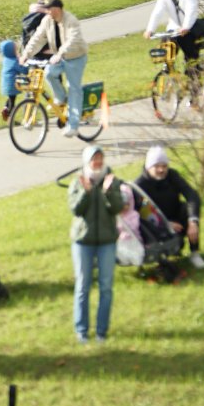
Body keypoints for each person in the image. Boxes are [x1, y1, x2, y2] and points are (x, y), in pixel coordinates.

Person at [69, 147, 122, 344]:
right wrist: (87, 192)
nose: (97, 162)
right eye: (94, 159)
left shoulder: (111, 180)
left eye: (100, 158)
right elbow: (76, 209)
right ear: (87, 161)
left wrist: (108, 193)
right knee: (83, 286)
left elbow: (118, 208)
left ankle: (101, 332)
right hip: (83, 241)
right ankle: (81, 331)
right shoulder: (79, 181)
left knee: (106, 287)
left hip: (107, 241)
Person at [132, 145, 204, 270]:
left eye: (164, 166)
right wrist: (165, 224)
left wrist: (193, 222)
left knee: (186, 209)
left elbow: (192, 195)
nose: (161, 170)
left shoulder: (173, 176)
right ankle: (165, 253)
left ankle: (195, 253)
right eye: (157, 166)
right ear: (148, 167)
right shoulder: (139, 185)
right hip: (154, 225)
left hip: (176, 216)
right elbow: (138, 213)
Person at [23, 0, 89, 134]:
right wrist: (26, 54)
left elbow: (73, 39)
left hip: (75, 57)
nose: (47, 12)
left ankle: (73, 126)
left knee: (73, 89)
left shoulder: (71, 20)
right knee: (49, 73)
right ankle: (60, 98)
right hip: (59, 57)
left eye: (49, 9)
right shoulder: (47, 20)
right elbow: (37, 38)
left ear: (57, 9)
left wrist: (59, 54)